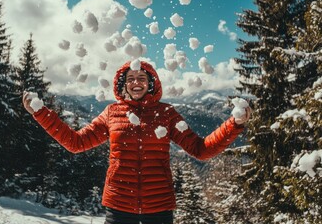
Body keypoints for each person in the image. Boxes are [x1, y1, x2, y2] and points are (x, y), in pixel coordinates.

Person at [22, 61, 251, 224]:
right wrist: (41, 113)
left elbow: (200, 150)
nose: (136, 83)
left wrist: (234, 124)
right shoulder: (112, 112)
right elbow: (76, 142)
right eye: (131, 79)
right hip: (119, 208)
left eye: (142, 78)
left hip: (159, 209)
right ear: (124, 85)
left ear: (151, 83)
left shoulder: (167, 113)